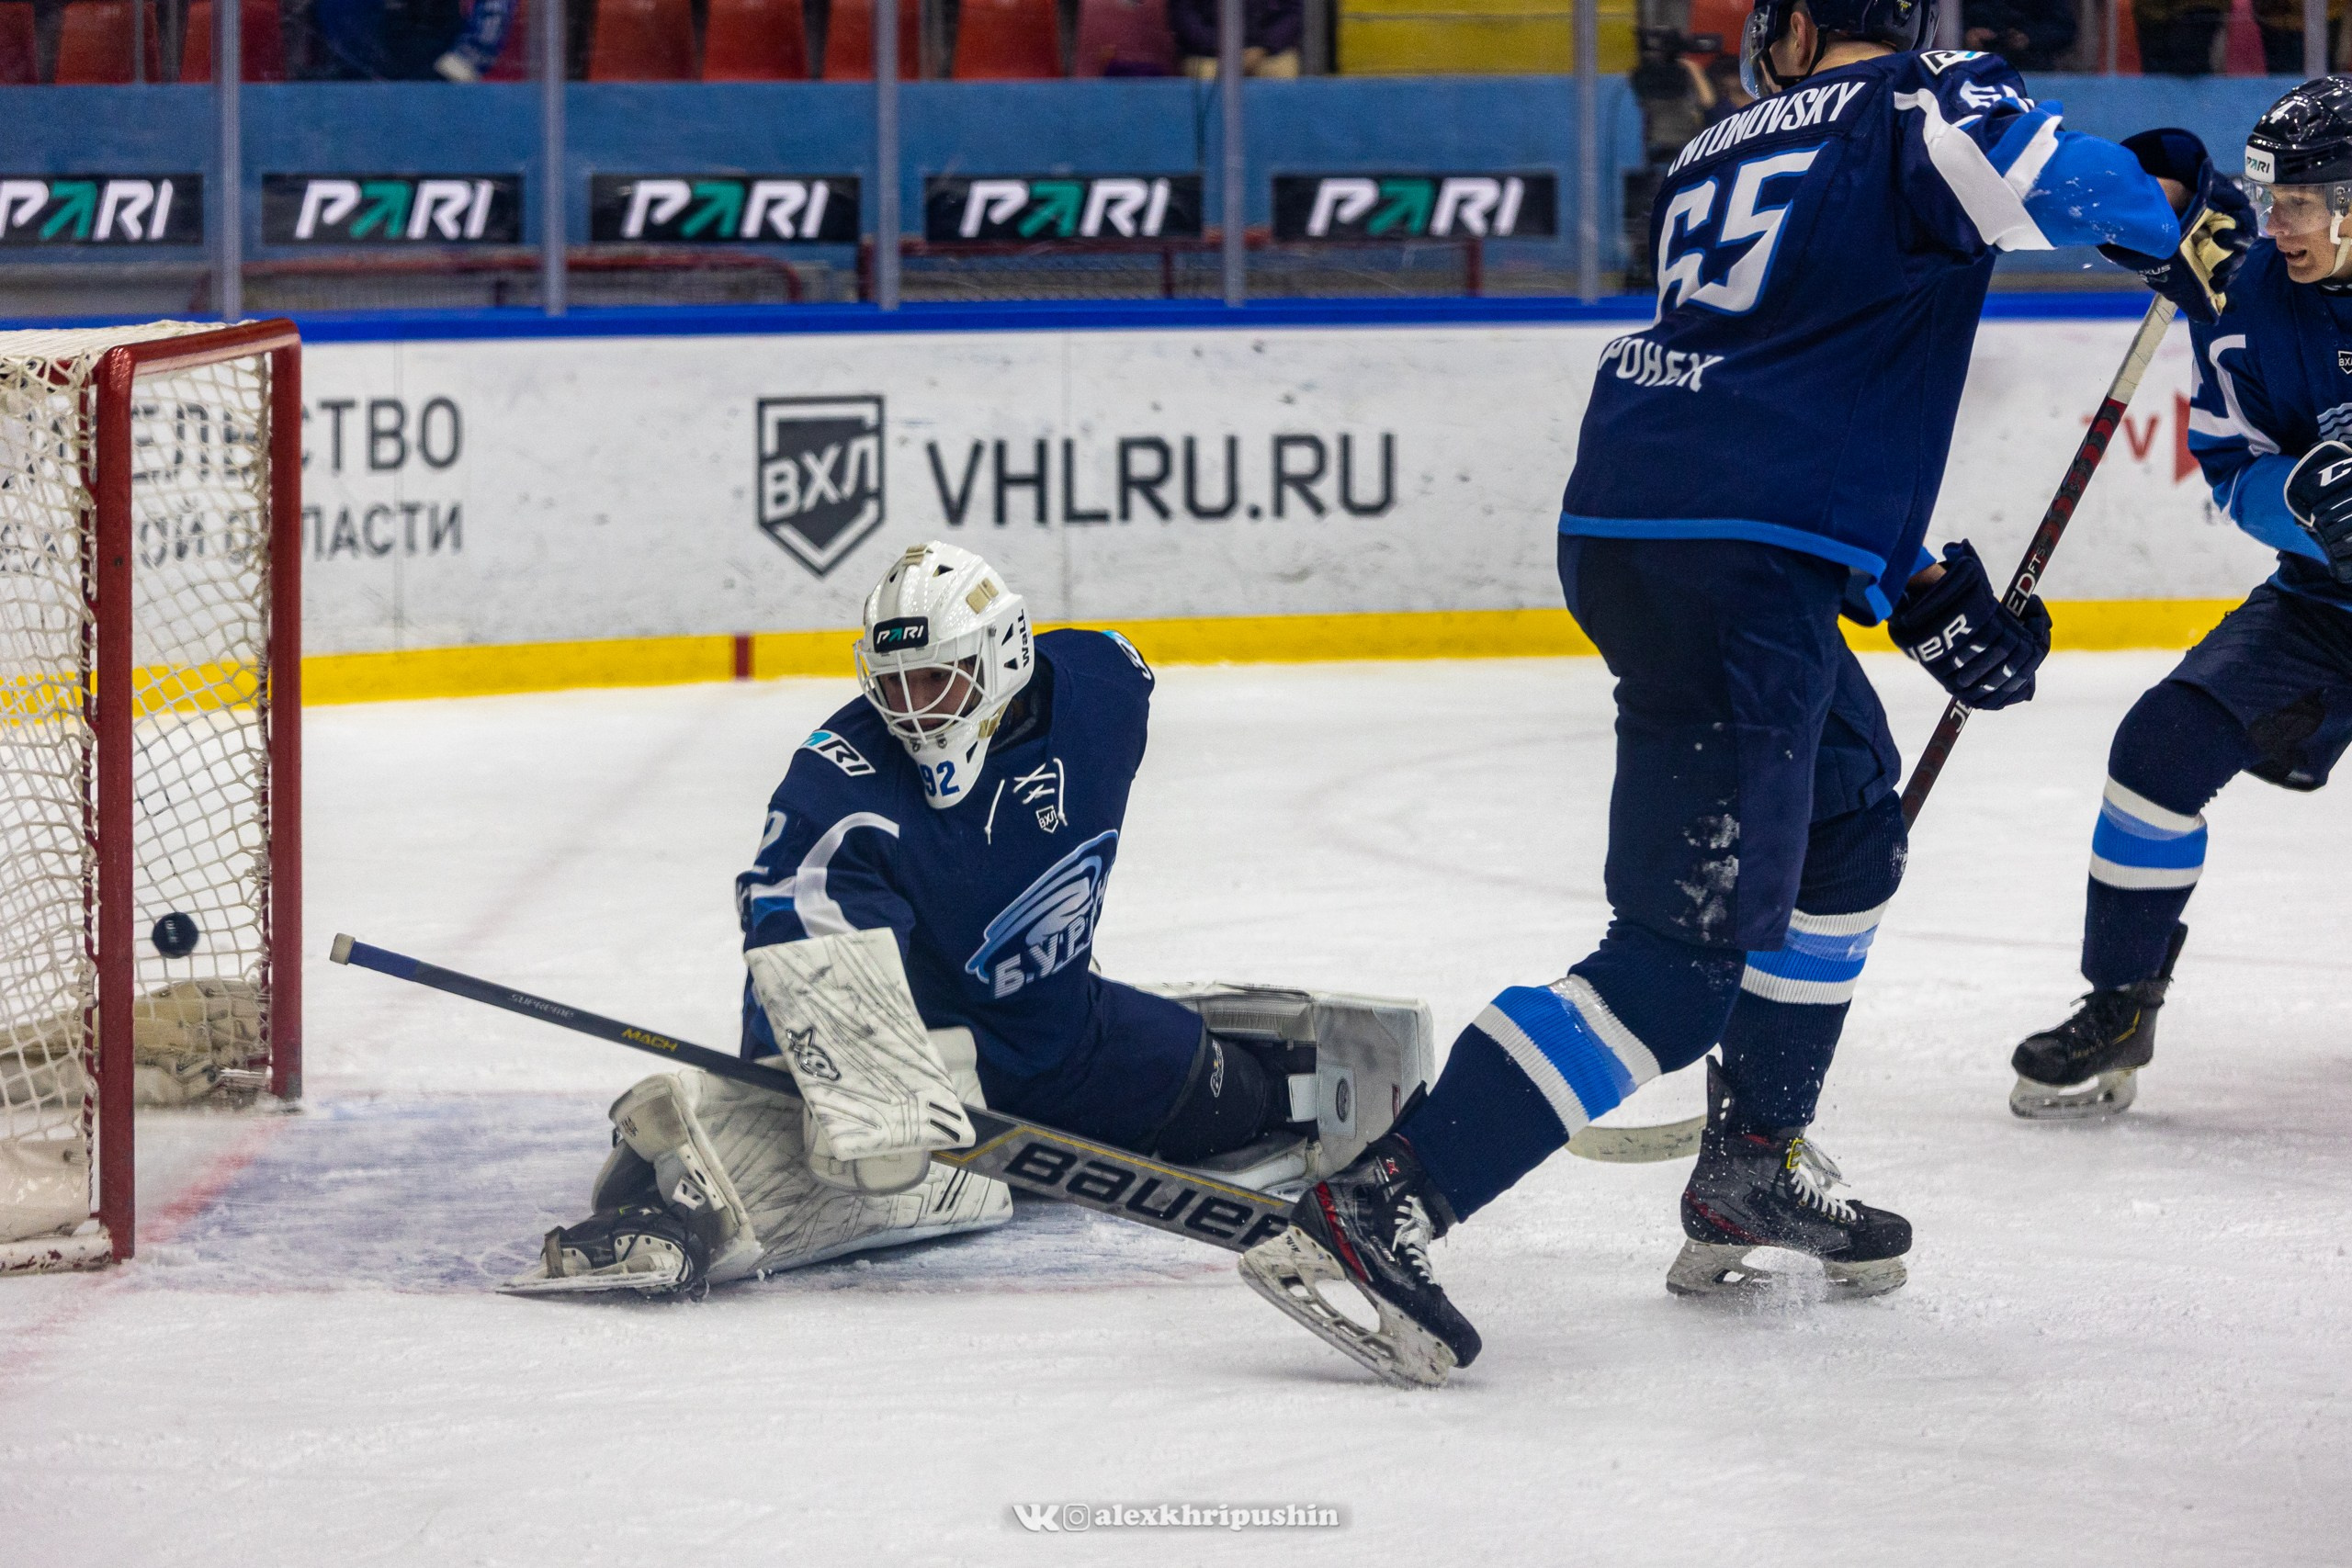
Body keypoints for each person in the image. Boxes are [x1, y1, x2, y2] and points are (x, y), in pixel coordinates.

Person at [1237, 2, 2214, 1388]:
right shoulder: (1923, 105)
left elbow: (1792, 374)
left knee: (1851, 822)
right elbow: (2108, 205)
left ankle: (1750, 1162)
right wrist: (2181, 201)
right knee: (1682, 956)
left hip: (1676, 524)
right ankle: (1387, 1196)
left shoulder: (1721, 142)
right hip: (1733, 565)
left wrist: (1915, 588)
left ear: (1805, 26)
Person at [509, 542, 1423, 1296]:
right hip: (916, 1050)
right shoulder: (844, 780)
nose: (911, 711)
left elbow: (1106, 651)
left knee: (1241, 1104)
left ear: (1005, 659)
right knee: (853, 1173)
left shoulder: (1102, 692)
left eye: (938, 683)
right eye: (892, 686)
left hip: (1065, 1031)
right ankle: (658, 1188)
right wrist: (860, 1084)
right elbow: (796, 917)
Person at [2010, 81, 2349, 1122]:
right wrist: (2148, 189)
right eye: (2269, 198)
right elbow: (2234, 470)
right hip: (2325, 610)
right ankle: (2121, 1001)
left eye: (2299, 201)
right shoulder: (2241, 285)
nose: (2278, 222)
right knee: (2156, 752)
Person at [1961, 0, 2076, 69]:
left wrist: (2029, 39)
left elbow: (2064, 30)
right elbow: (1949, 17)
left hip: (2033, 70)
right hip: (1976, 68)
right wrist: (1969, 35)